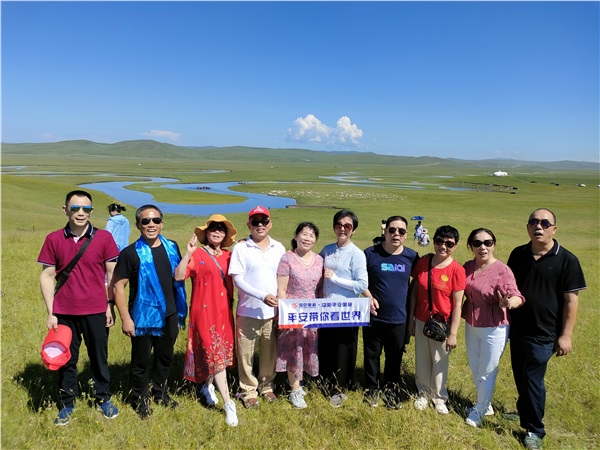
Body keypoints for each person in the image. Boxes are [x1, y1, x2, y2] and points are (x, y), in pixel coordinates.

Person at [38, 190, 120, 426]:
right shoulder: (53, 239)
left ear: (91, 211)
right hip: (64, 313)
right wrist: (51, 313)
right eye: (75, 208)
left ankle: (103, 398)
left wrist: (109, 305)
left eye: (86, 209)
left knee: (99, 358)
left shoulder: (104, 238)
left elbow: (112, 275)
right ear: (65, 210)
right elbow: (47, 276)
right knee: (66, 359)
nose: (81, 213)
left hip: (96, 310)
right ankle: (66, 403)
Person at [507, 208, 586, 449]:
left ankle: (535, 429)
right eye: (533, 222)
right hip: (517, 329)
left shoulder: (567, 260)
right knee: (520, 374)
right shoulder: (518, 254)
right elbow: (509, 286)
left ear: (554, 229)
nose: (538, 226)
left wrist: (566, 335)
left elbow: (571, 300)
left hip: (545, 332)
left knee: (532, 378)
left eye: (544, 223)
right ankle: (524, 412)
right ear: (527, 227)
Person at [112, 205, 187, 419]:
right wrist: (126, 319)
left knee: (165, 358)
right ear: (138, 225)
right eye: (145, 221)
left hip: (170, 314)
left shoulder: (172, 246)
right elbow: (118, 287)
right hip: (143, 318)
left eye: (155, 220)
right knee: (141, 362)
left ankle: (160, 393)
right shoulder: (129, 253)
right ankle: (140, 399)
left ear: (162, 224)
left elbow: (178, 277)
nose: (151, 224)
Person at [174, 214, 239, 426]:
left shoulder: (230, 256)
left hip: (224, 312)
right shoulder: (198, 254)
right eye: (213, 228)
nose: (217, 231)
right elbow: (178, 276)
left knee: (217, 353)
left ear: (225, 234)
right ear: (206, 233)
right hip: (203, 312)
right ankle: (229, 403)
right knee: (213, 352)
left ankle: (207, 385)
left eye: (221, 228)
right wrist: (187, 253)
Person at [462, 228, 525, 428]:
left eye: (488, 243)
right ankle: (486, 404)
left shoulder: (502, 270)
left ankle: (480, 410)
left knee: (487, 370)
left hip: (494, 327)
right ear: (471, 246)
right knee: (475, 366)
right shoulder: (468, 267)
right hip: (471, 324)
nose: (483, 247)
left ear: (494, 245)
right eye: (477, 243)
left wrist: (509, 303)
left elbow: (516, 295)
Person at [228, 205, 286, 409]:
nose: (260, 225)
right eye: (255, 222)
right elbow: (238, 279)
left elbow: (283, 277)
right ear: (249, 224)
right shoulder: (241, 248)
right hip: (248, 310)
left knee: (269, 352)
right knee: (246, 354)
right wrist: (262, 296)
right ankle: (248, 390)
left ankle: (267, 386)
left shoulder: (279, 248)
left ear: (270, 224)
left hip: (272, 311)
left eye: (264, 221)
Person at [408, 225, 465, 415]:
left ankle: (439, 397)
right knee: (422, 358)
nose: (443, 246)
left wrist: (453, 333)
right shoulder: (423, 262)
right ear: (433, 241)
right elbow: (414, 292)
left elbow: (457, 305)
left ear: (455, 246)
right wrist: (411, 319)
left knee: (440, 360)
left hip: (442, 323)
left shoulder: (457, 270)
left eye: (449, 244)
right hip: (421, 318)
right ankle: (423, 393)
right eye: (439, 241)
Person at [363, 215, 419, 409]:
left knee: (395, 357)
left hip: (399, 318)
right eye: (392, 230)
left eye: (401, 231)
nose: (396, 234)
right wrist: (368, 296)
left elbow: (419, 283)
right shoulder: (370, 253)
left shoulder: (412, 257)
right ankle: (371, 389)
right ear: (385, 231)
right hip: (373, 315)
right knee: (372, 355)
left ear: (406, 234)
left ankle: (391, 390)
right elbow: (360, 279)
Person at [266, 222, 323, 409]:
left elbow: (320, 289)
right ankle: (295, 390)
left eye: (312, 235)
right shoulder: (287, 258)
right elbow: (281, 289)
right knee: (294, 351)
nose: (307, 238)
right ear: (296, 236)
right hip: (293, 313)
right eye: (304, 234)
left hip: (312, 314)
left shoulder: (319, 260)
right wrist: (286, 313)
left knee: (306, 349)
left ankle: (298, 381)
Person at [318, 210, 369, 407]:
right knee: (327, 346)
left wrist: (335, 279)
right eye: (339, 225)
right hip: (326, 309)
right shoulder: (327, 249)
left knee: (343, 350)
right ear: (334, 227)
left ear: (353, 230)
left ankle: (340, 389)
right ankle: (325, 381)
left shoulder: (357, 254)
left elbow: (362, 284)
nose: (342, 229)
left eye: (347, 226)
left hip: (347, 310)